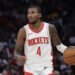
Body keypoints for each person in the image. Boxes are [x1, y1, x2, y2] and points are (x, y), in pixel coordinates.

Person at [14, 5, 72, 75]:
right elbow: (16, 51)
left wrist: (68, 51)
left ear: (39, 15)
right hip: (31, 67)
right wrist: (18, 57)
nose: (30, 15)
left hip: (46, 67)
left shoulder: (50, 28)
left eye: (33, 13)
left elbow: (59, 46)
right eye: (28, 13)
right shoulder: (23, 31)